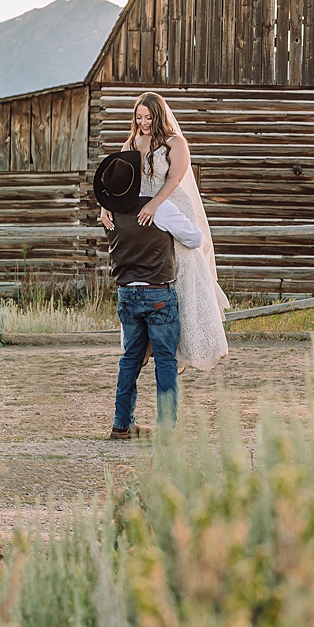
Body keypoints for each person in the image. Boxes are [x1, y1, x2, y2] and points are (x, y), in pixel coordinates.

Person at [100, 92, 230, 371]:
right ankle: (144, 342)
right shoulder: (131, 142)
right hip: (140, 210)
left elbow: (174, 178)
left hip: (168, 204)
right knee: (143, 271)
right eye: (138, 116)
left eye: (148, 117)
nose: (143, 122)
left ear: (158, 115)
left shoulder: (175, 143)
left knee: (179, 272)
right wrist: (105, 205)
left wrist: (156, 204)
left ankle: (181, 347)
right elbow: (119, 180)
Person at [95, 150, 204, 439]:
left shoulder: (109, 215)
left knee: (130, 359)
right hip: (158, 292)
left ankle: (121, 425)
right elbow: (195, 238)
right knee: (166, 360)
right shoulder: (160, 209)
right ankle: (167, 429)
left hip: (126, 294)